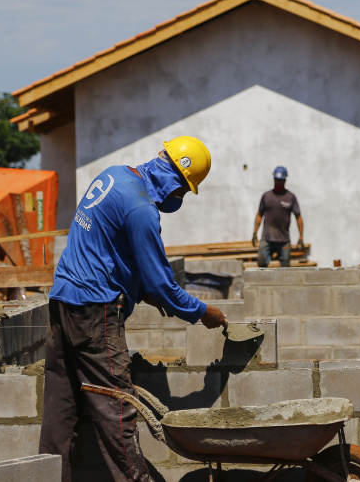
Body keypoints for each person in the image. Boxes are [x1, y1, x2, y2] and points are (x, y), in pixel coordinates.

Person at [39, 136, 227, 482]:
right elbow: (164, 285)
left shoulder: (113, 176)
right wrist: (204, 313)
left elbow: (108, 249)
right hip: (96, 312)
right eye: (184, 190)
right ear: (175, 180)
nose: (180, 197)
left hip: (63, 301)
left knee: (60, 409)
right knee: (116, 411)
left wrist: (143, 293)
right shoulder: (142, 208)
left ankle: (50, 475)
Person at [251, 166, 304, 267]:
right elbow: (259, 215)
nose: (278, 182)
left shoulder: (290, 197)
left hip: (284, 241)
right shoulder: (266, 196)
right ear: (273, 179)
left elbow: (299, 218)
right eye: (276, 180)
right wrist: (254, 233)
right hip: (267, 239)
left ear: (284, 181)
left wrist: (301, 237)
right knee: (261, 264)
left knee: (285, 268)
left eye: (281, 180)